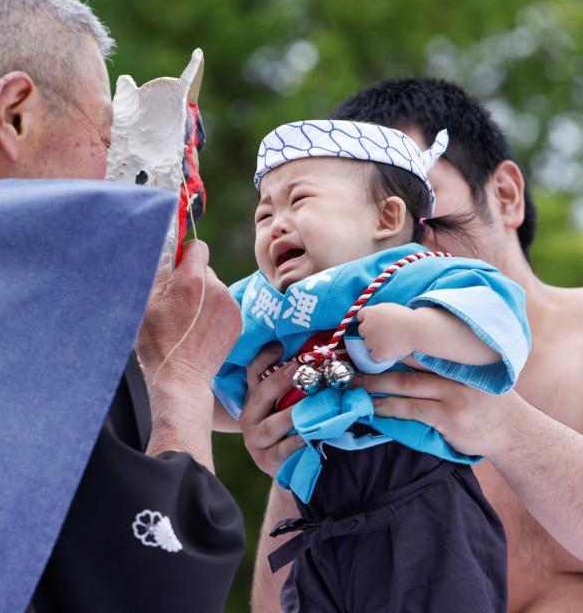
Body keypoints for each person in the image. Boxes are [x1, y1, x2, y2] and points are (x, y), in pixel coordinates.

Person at [245, 79, 583, 613]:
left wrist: (505, 425)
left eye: (417, 199)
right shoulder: (335, 359)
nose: (400, 238)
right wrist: (293, 460)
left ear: (505, 195)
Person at [0, 0, 245, 612]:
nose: (114, 176)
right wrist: (180, 380)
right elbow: (158, 592)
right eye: (107, 136)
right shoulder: (29, 312)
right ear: (15, 117)